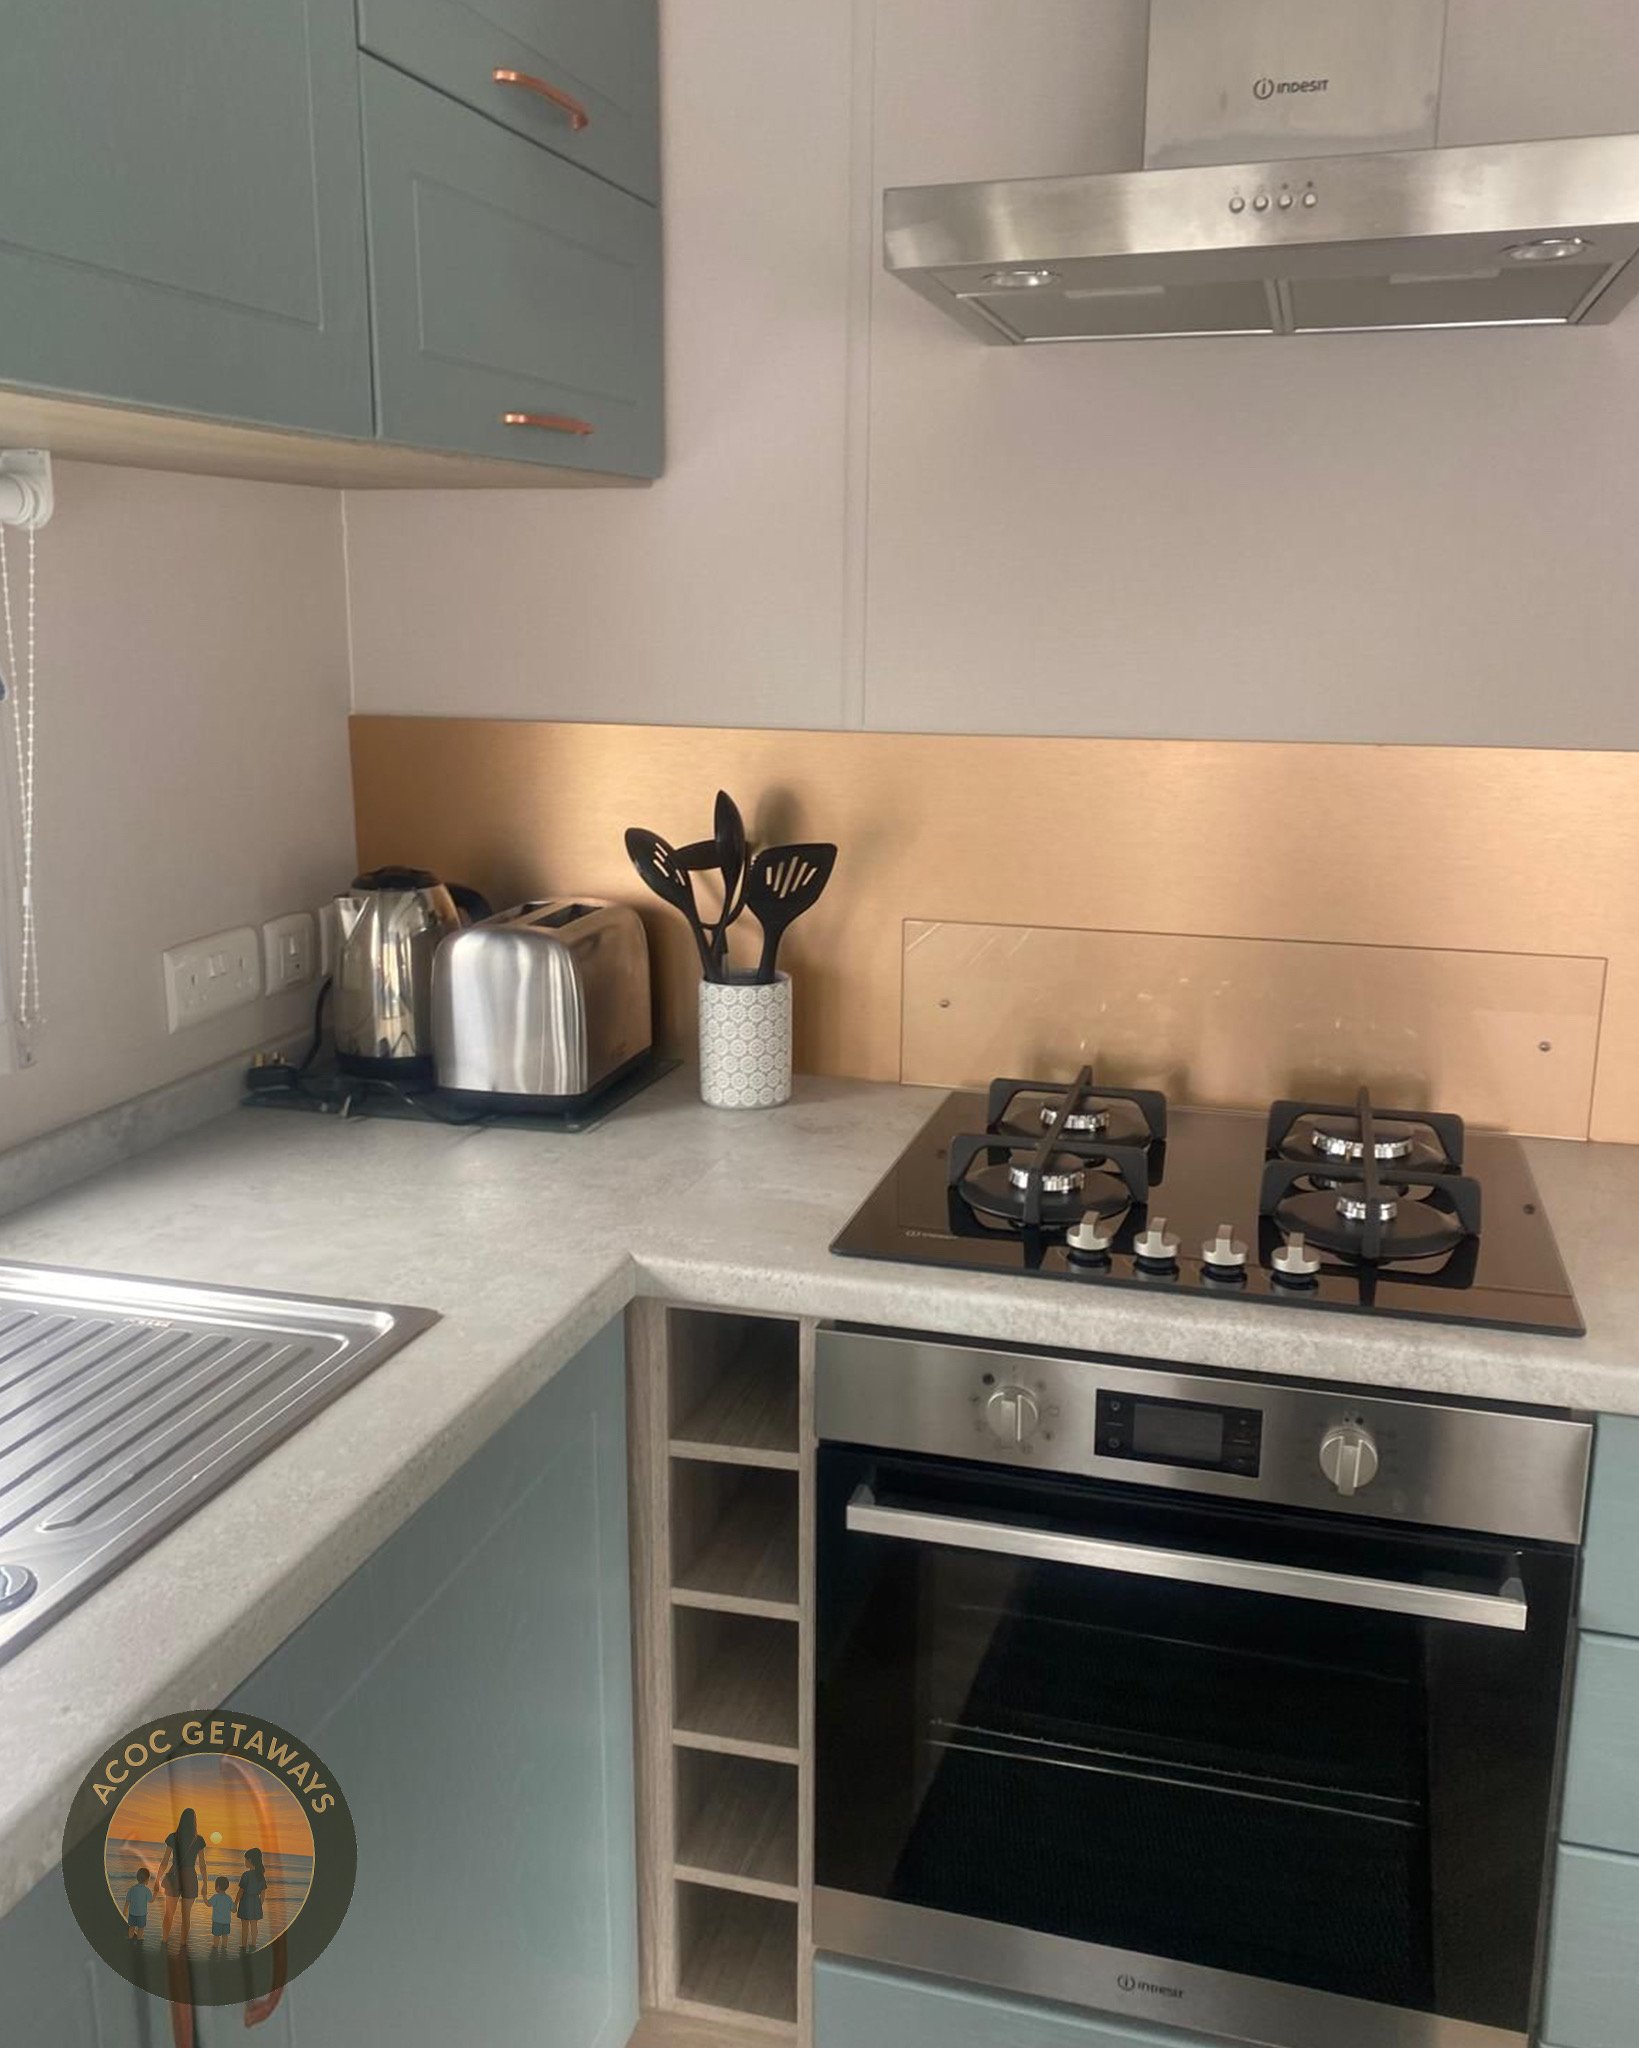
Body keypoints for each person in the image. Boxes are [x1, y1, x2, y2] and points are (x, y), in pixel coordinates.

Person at [155, 1807, 207, 1948]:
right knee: (186, 1916)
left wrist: (157, 1879)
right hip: (190, 1877)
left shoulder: (174, 1837)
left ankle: (164, 1942)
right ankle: (183, 1945)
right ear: (194, 1822)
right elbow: (202, 1864)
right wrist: (205, 1884)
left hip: (174, 1875)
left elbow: (165, 1860)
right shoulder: (199, 1840)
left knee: (169, 1914)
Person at [235, 1847, 267, 1952]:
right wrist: (260, 1904)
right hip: (255, 1902)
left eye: (245, 1859)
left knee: (245, 1926)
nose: (244, 1862)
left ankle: (243, 1945)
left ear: (250, 1860)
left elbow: (241, 1891)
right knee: (254, 1925)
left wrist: (235, 1903)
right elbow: (263, 1892)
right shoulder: (260, 1876)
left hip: (245, 1902)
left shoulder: (246, 1875)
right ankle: (253, 1943)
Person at [124, 1866, 152, 1944]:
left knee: (131, 1927)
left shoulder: (132, 1889)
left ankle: (130, 1938)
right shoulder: (147, 1890)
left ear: (137, 1878)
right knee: (140, 1929)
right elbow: (151, 1900)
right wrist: (156, 1893)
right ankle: (139, 1939)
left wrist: (124, 1912)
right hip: (142, 1915)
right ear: (147, 1880)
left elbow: (127, 1901)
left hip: (132, 1913)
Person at [208, 1876, 234, 1954]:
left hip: (217, 1922)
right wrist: (235, 1905)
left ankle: (215, 1947)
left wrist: (204, 1897)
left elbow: (208, 1904)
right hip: (226, 1922)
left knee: (216, 1936)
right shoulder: (229, 1898)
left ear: (218, 1887)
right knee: (225, 1935)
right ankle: (224, 1948)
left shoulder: (216, 1897)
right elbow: (234, 1910)